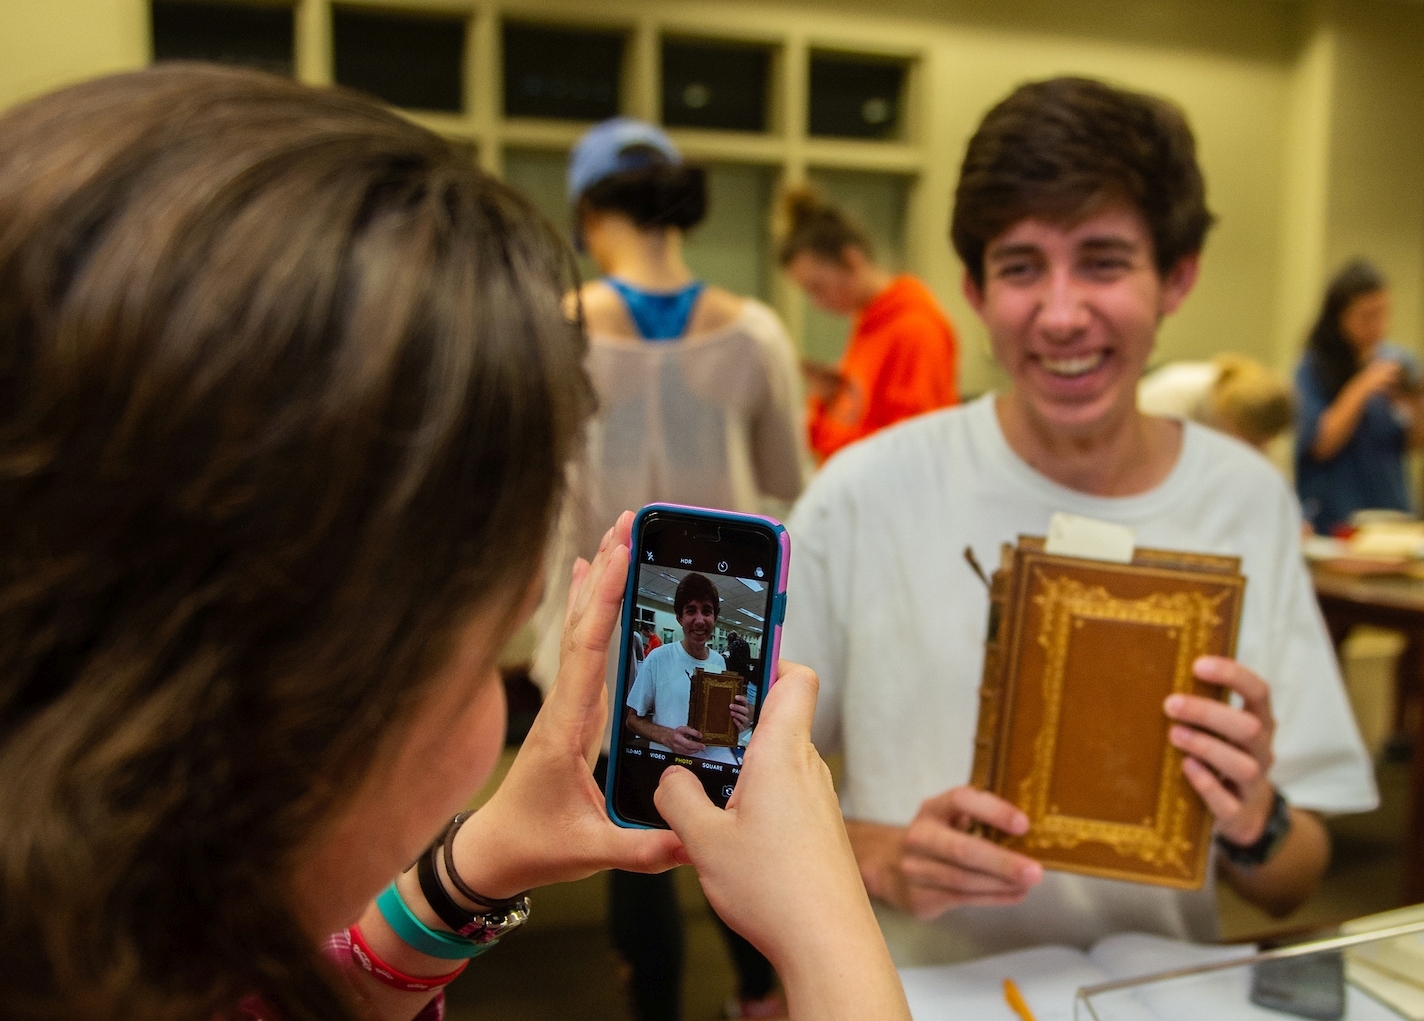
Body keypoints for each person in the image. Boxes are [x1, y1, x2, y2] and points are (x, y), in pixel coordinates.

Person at [0, 66, 910, 1021]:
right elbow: (785, 481)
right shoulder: (756, 330)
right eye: (477, 650)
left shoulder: (147, 957)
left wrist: (470, 872)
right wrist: (830, 937)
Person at [781, 76, 1377, 966]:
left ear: (1176, 277)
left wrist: (1254, 816)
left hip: (1157, 991)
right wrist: (879, 853)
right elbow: (751, 789)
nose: (1061, 315)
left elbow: (1292, 878)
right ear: (975, 292)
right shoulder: (865, 491)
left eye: (1102, 261)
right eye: (1021, 267)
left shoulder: (1243, 499)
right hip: (916, 992)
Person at [536, 117, 805, 1021]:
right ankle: (761, 995)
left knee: (625, 815)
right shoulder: (756, 331)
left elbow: (542, 495)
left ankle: (651, 1005)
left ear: (588, 211)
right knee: (730, 799)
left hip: (602, 618)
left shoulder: (559, 331)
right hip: (719, 612)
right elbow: (784, 485)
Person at [777, 184, 960, 462]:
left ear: (852, 260)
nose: (817, 303)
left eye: (819, 287)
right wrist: (830, 399)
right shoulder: (869, 321)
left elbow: (911, 450)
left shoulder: (915, 329)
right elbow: (860, 418)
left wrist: (828, 433)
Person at [1294, 260, 1424, 534]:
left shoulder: (1401, 363)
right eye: (1367, 316)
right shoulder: (1312, 369)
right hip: (1334, 518)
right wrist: (1361, 387)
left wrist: (1415, 404)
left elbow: (1419, 444)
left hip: (1391, 515)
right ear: (1339, 317)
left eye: (1383, 314)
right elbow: (1321, 444)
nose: (1378, 326)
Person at [625, 573, 753, 763]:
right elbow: (632, 720)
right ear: (679, 618)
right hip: (669, 765)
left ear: (715, 618)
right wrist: (668, 737)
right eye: (691, 611)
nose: (700, 620)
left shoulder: (719, 661)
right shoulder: (658, 657)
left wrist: (735, 719)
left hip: (710, 762)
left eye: (707, 611)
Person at [1137, 353, 1295, 452]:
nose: (1261, 449)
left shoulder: (1228, 397)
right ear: (1233, 418)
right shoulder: (1169, 399)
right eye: (1255, 441)